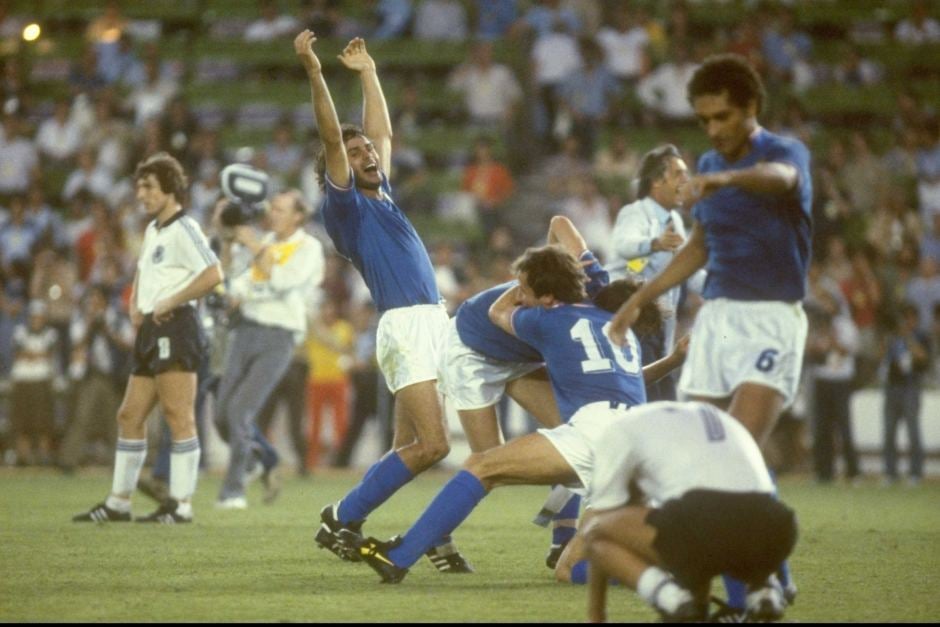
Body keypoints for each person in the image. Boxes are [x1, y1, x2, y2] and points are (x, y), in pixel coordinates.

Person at [336, 244, 685, 584]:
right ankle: (660, 571)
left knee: (481, 465)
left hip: (595, 432)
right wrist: (672, 361)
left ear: (547, 297)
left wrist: (517, 288)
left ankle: (398, 557)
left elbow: (497, 314)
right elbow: (633, 380)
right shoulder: (623, 337)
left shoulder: (551, 318)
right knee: (569, 570)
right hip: (633, 444)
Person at [608, 53, 811, 616]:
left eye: (722, 118)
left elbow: (781, 180)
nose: (713, 131)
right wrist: (638, 299)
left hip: (772, 315)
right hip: (718, 317)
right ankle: (765, 586)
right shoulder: (704, 161)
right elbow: (699, 245)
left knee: (739, 450)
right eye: (704, 121)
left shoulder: (782, 154)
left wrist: (725, 177)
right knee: (699, 458)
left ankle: (758, 590)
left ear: (750, 109)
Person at [294, 32, 468, 572]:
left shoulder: (381, 192)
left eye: (366, 150)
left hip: (433, 321)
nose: (367, 153)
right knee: (434, 446)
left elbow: (382, 130)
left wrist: (368, 71)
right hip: (405, 325)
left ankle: (430, 538)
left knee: (409, 448)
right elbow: (330, 136)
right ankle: (340, 514)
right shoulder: (343, 208)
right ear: (336, 169)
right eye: (355, 153)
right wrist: (315, 71)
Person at [73, 152, 223, 524]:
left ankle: (181, 505)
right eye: (139, 187)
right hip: (151, 329)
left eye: (149, 187)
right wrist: (136, 303)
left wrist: (170, 298)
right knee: (129, 414)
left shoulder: (185, 227)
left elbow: (213, 273)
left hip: (177, 325)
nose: (141, 194)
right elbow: (145, 270)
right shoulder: (154, 230)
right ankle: (119, 502)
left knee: (178, 414)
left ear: (170, 188)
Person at [582, 401, 798, 623]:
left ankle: (670, 597)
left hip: (699, 525)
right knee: (700, 546)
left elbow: (601, 522)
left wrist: (596, 615)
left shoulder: (618, 430)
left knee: (595, 530)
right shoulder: (703, 415)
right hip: (777, 527)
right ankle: (763, 590)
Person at [214, 189, 325, 509]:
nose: (272, 214)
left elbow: (283, 281)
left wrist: (252, 243)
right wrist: (226, 240)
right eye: (272, 208)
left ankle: (233, 491)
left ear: (298, 216)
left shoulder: (309, 247)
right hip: (246, 329)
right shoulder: (267, 243)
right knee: (221, 411)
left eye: (280, 209)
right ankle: (252, 460)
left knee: (240, 411)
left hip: (279, 335)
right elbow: (235, 282)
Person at [608, 143, 698, 401]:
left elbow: (687, 271)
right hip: (635, 322)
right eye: (679, 174)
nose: (686, 180)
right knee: (648, 402)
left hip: (659, 329)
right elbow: (623, 245)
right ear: (657, 182)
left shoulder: (676, 221)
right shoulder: (634, 213)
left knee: (664, 402)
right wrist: (654, 243)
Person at [881, 302, 930, 486]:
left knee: (913, 430)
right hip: (892, 386)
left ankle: (915, 472)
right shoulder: (893, 339)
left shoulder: (921, 337)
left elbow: (922, 357)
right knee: (888, 432)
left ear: (915, 320)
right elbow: (884, 360)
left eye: (909, 318)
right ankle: (890, 473)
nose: (906, 322)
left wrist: (908, 337)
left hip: (911, 386)